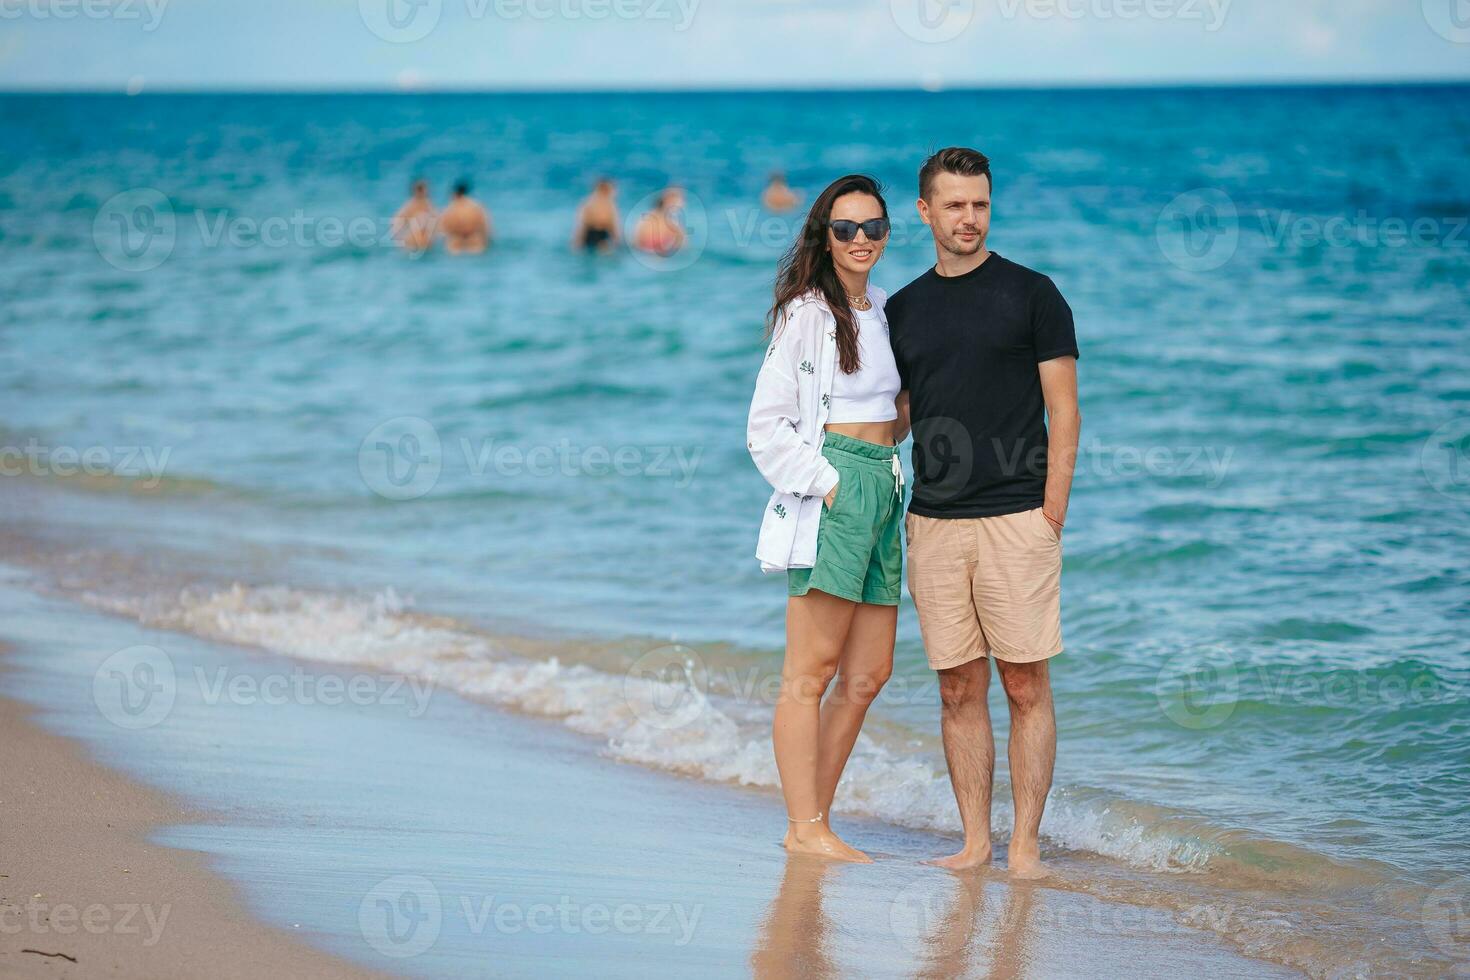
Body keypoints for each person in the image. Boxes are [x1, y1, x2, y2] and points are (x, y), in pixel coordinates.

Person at [886, 147, 1081, 879]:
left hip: (1017, 518)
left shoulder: (1034, 295)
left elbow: (1065, 411)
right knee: (957, 687)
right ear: (925, 212)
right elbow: (898, 415)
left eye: (981, 205)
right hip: (934, 521)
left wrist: (1050, 511)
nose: (970, 218)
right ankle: (976, 842)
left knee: (1025, 684)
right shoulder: (901, 308)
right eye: (956, 205)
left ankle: (1025, 846)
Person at [747, 174, 901, 863]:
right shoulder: (807, 312)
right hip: (836, 485)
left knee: (869, 674)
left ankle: (816, 819)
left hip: (888, 485)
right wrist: (830, 484)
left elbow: (894, 410)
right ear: (825, 236)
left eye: (872, 227)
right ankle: (804, 826)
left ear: (888, 232)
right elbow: (765, 426)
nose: (860, 240)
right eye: (846, 229)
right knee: (808, 674)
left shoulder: (889, 308)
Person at [439, 180, 491, 254]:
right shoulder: (477, 207)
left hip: (456, 241)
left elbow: (443, 230)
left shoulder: (450, 208)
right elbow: (487, 229)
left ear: (455, 193)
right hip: (474, 240)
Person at [633, 186, 687, 256]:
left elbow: (635, 243)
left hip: (645, 255)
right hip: (653, 256)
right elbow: (683, 248)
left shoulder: (646, 218)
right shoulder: (673, 223)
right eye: (676, 201)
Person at [571, 178, 620, 253]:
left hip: (588, 233)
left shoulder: (588, 202)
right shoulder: (609, 205)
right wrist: (616, 240)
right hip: (602, 234)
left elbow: (581, 224)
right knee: (605, 254)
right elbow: (613, 225)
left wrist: (577, 240)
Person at [390, 179, 436, 253]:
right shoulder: (428, 206)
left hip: (411, 243)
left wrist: (399, 240)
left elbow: (395, 224)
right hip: (423, 244)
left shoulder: (409, 206)